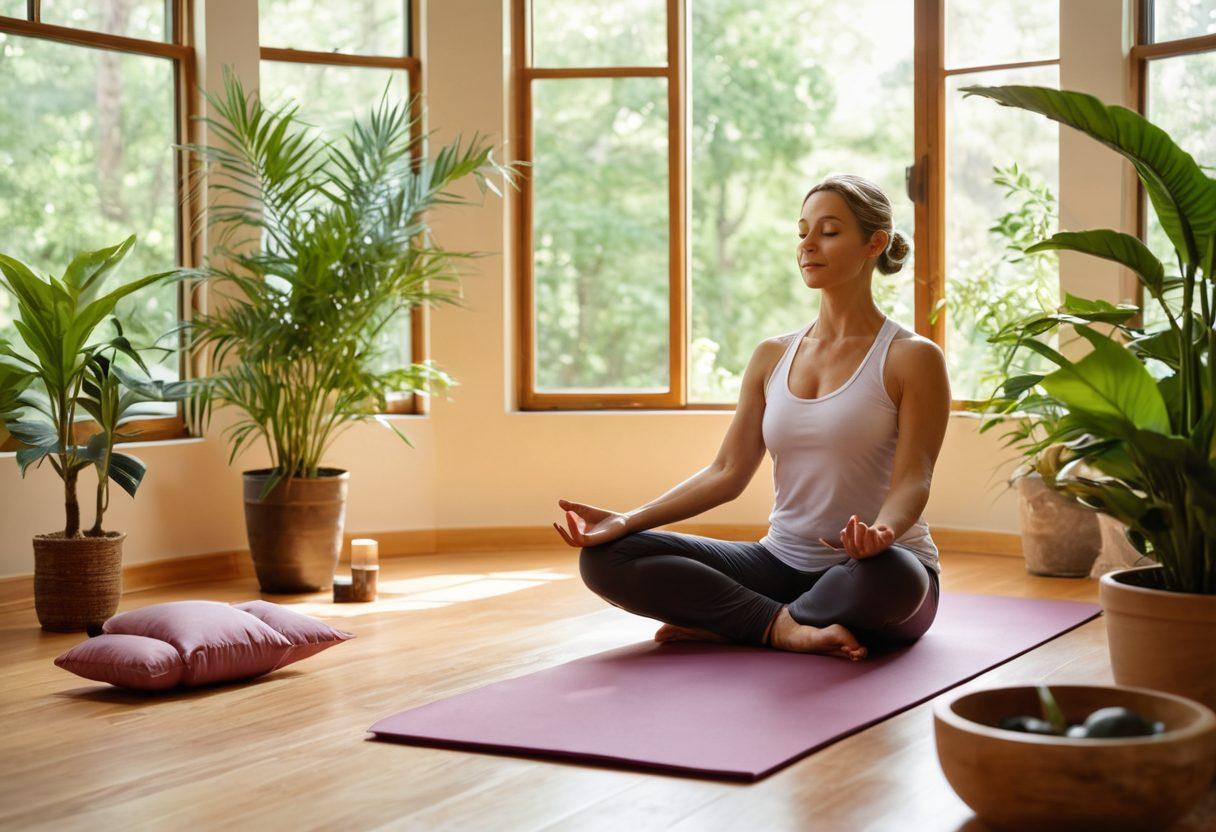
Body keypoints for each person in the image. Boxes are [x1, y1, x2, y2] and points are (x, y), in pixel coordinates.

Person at [553, 174, 951, 661]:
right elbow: (727, 472)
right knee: (607, 558)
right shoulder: (772, 355)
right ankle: (779, 625)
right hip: (779, 564)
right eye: (802, 231)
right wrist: (628, 519)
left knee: (898, 578)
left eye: (828, 231)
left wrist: (883, 534)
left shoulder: (912, 357)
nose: (808, 244)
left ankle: (742, 620)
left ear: (875, 243)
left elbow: (914, 477)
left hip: (870, 572)